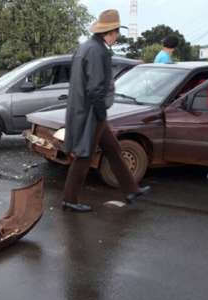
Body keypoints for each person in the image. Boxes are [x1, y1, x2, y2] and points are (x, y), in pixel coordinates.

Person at [62, 9, 151, 213]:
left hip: (87, 109)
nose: (117, 36)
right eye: (117, 32)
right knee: (85, 155)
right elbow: (95, 88)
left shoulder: (88, 47)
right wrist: (101, 114)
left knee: (112, 148)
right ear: (110, 32)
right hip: (92, 111)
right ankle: (69, 199)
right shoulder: (96, 50)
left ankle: (131, 190)